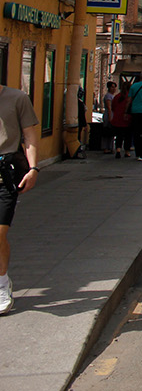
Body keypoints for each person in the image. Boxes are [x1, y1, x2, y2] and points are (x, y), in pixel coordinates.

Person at [0, 85, 40, 314]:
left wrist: (34, 168)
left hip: (4, 176)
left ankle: (2, 284)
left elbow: (30, 135)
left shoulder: (17, 98)